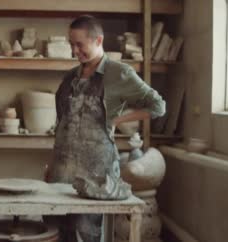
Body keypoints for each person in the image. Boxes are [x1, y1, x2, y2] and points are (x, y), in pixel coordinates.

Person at [46, 15, 166, 242]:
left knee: (86, 232)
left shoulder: (118, 73)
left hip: (96, 173)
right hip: (62, 169)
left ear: (98, 40)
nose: (74, 51)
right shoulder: (70, 77)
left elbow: (158, 106)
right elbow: (63, 124)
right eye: (71, 44)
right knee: (56, 230)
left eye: (79, 44)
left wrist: (116, 121)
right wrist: (52, 164)